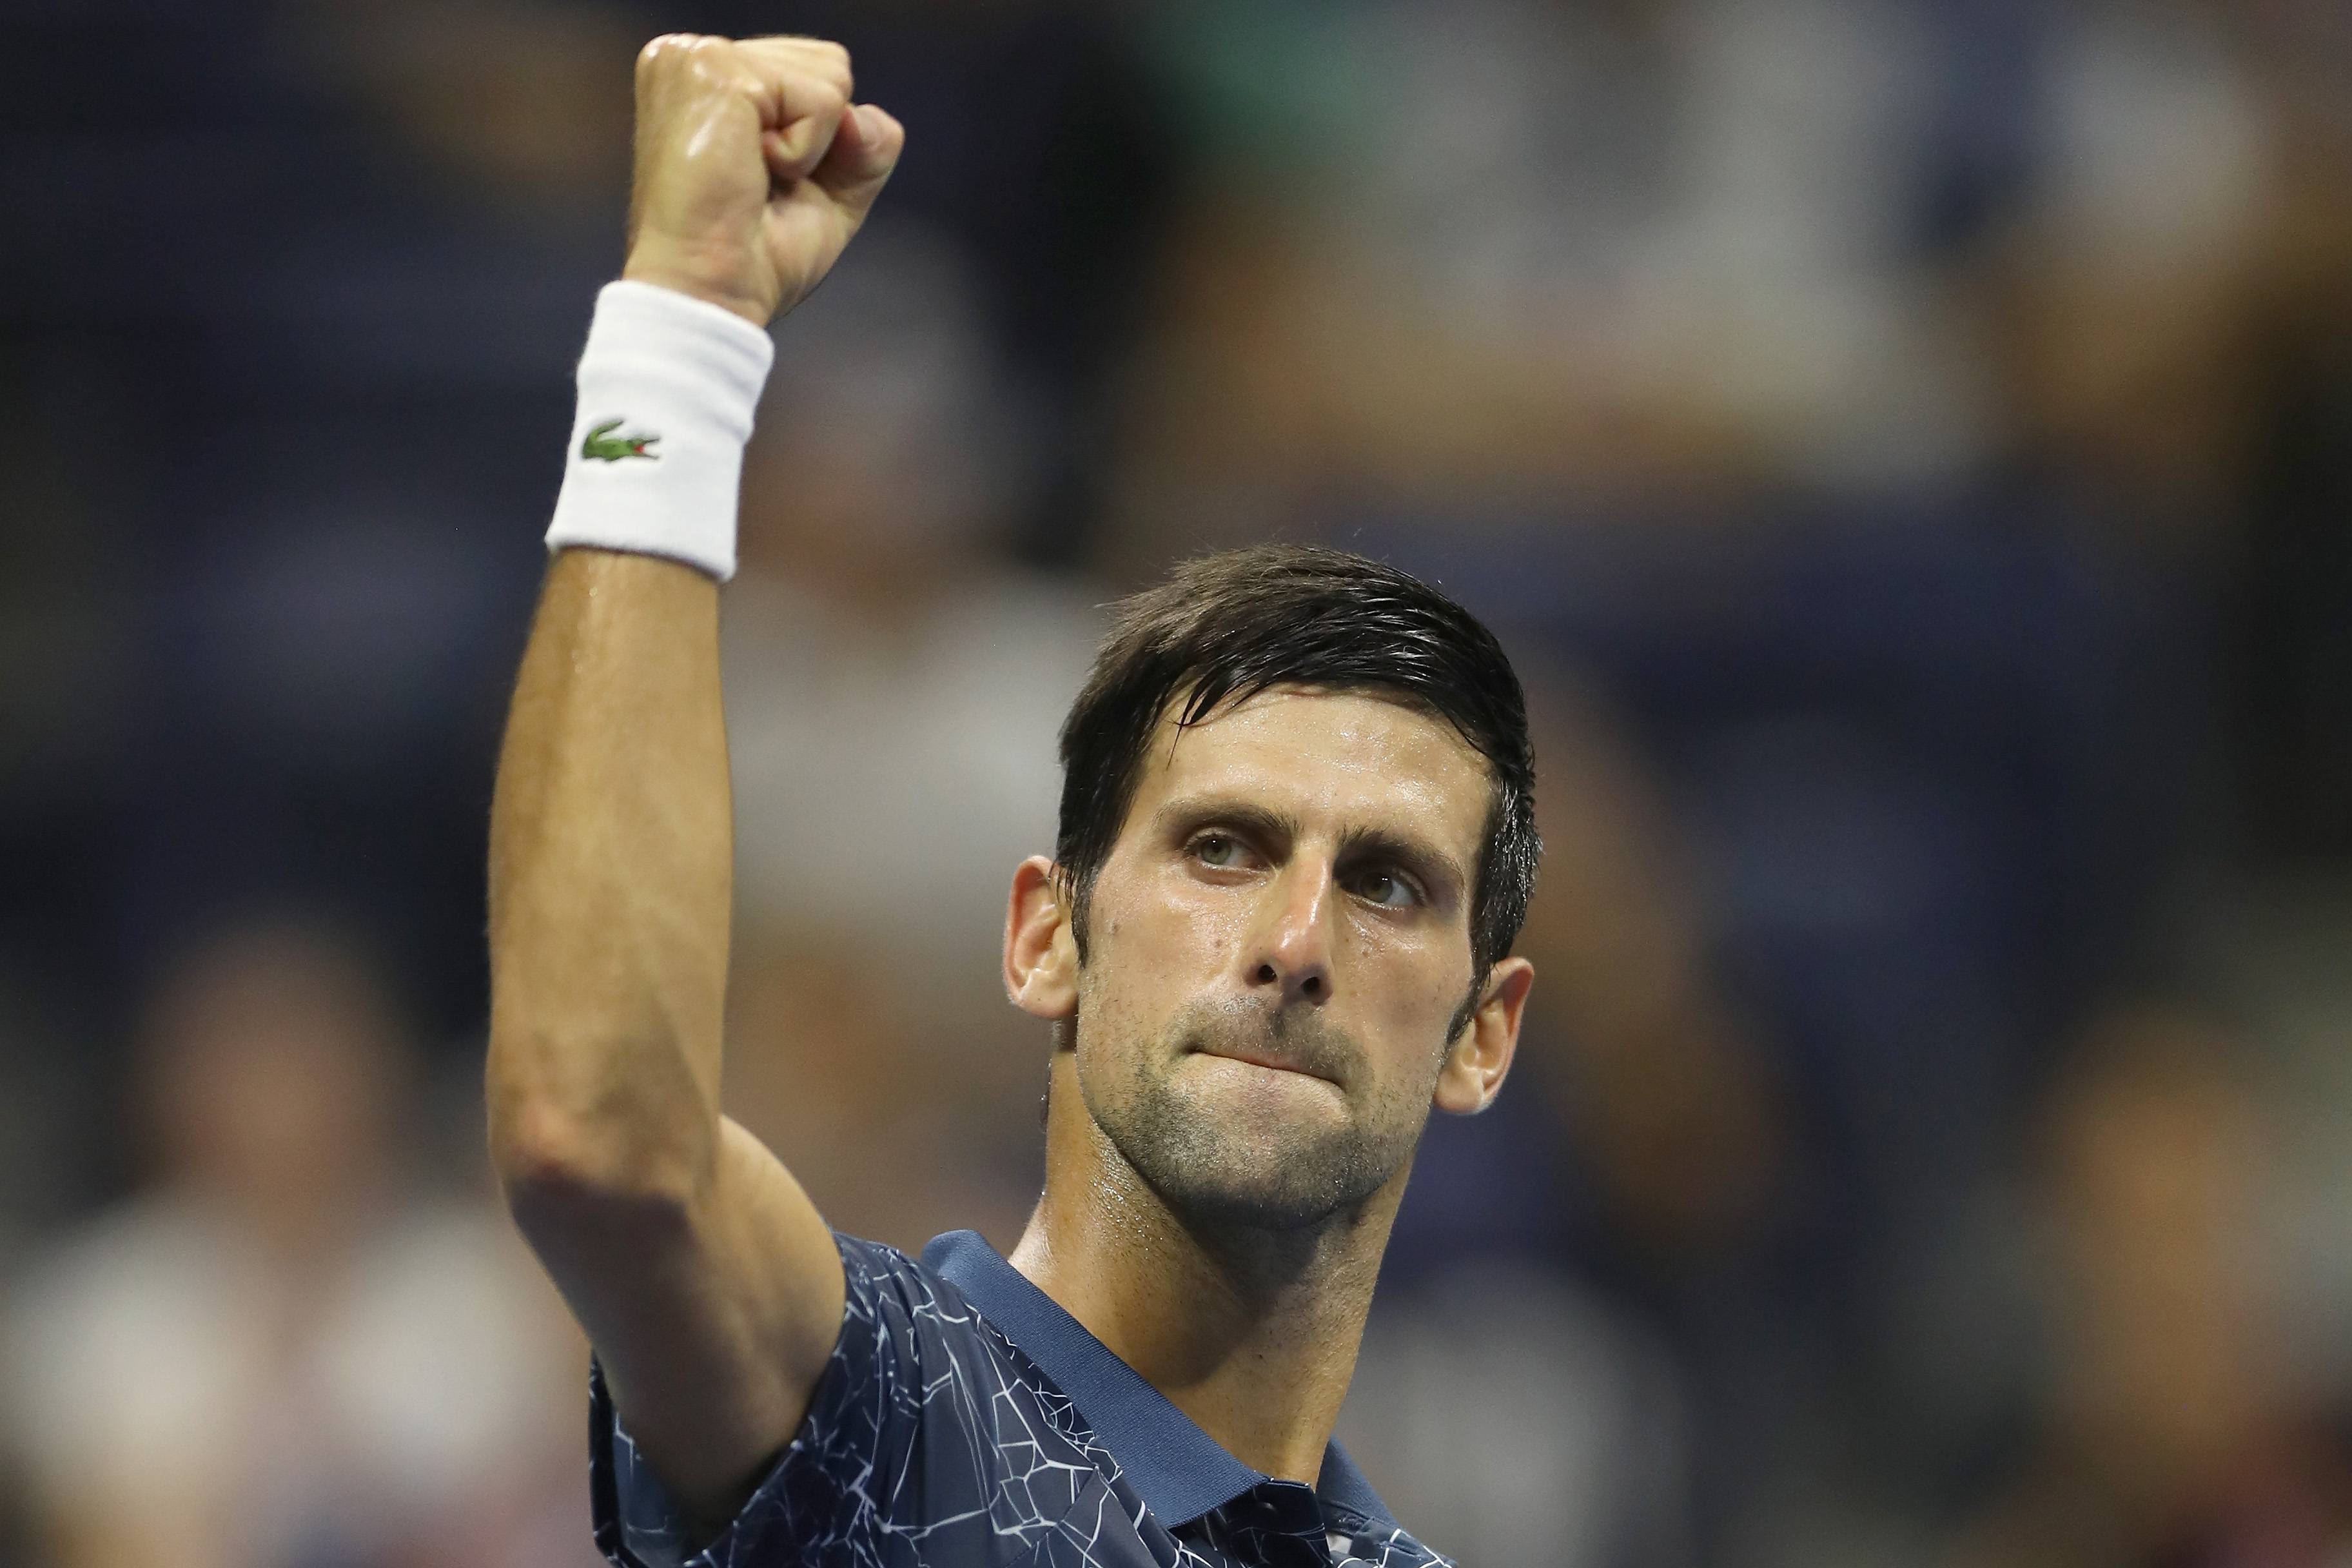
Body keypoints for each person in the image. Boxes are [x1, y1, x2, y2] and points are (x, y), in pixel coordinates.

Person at [485, 34, 1538, 1568]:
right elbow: (599, 1133)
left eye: (1386, 882)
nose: (1296, 939)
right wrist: (678, 327)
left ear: (1484, 1032)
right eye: (1221, 848)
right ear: (1048, 935)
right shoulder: (885, 1402)